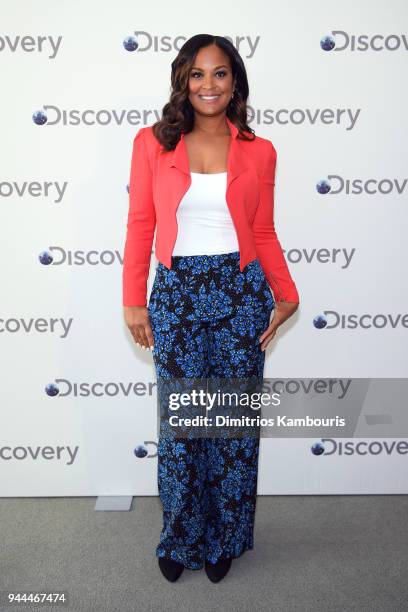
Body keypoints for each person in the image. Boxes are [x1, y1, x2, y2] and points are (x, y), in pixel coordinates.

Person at [122, 34, 299, 583]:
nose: (208, 85)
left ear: (235, 83)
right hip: (176, 293)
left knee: (230, 426)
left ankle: (225, 537)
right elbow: (141, 224)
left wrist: (286, 291)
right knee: (181, 426)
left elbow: (263, 229)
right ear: (183, 81)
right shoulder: (152, 143)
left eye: (220, 74)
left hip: (241, 291)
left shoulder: (260, 149)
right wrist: (133, 300)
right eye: (197, 75)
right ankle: (180, 536)